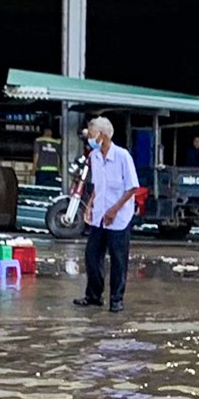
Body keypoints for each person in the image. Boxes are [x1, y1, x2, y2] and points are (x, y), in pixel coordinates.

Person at [75, 115, 144, 311]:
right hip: (99, 216)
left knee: (118, 259)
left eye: (92, 134)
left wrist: (114, 210)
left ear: (103, 136)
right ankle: (93, 295)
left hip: (119, 218)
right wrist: (89, 205)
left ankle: (116, 299)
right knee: (91, 255)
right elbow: (98, 185)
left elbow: (132, 188)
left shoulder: (122, 156)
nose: (89, 138)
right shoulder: (94, 157)